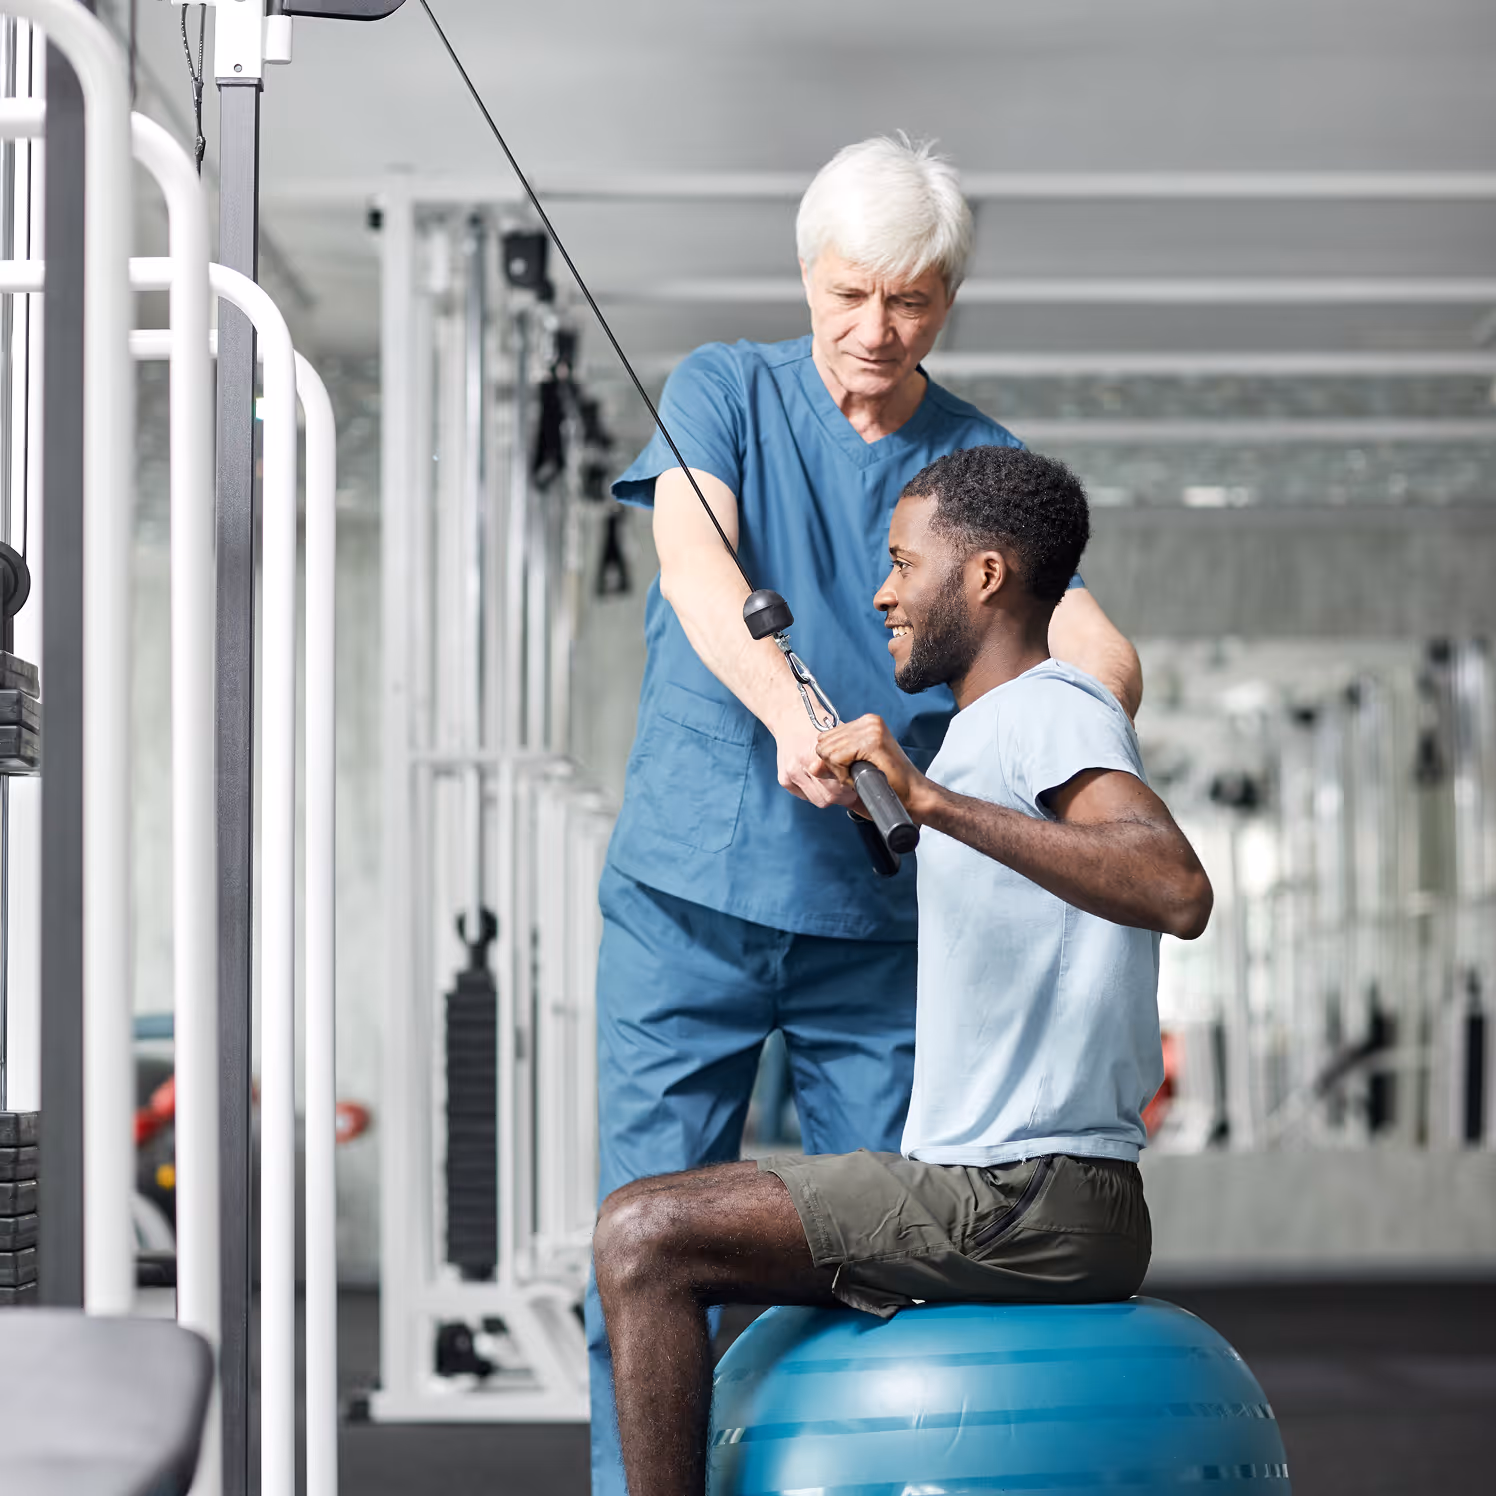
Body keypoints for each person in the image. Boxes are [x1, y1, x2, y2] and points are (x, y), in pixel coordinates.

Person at [588, 136, 1142, 1492]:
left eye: (909, 300)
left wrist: (1000, 739)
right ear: (808, 280)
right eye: (848, 295)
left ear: (946, 299)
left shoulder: (979, 456)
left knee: (870, 1262)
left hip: (876, 924)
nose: (875, 331)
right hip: (691, 899)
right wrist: (788, 710)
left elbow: (1103, 656)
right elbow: (695, 567)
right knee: (635, 1244)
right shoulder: (723, 388)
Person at [591, 445, 1213, 1496]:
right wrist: (909, 810)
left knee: (643, 1232)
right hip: (1021, 1190)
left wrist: (927, 803)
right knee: (683, 1228)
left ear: (980, 577)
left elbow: (1174, 885)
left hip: (1027, 1192)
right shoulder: (990, 730)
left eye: (901, 561)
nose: (882, 590)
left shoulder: (1050, 706)